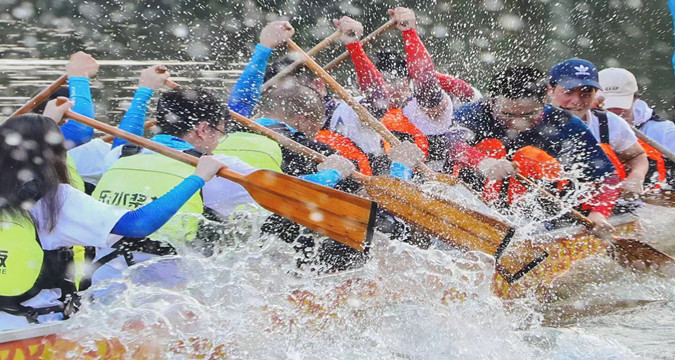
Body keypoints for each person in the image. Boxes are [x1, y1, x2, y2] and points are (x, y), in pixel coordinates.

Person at [0, 99, 227, 330]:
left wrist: (48, 122)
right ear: (56, 154)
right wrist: (198, 178)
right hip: (37, 325)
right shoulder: (56, 199)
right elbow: (139, 224)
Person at [451, 66, 621, 231]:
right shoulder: (473, 113)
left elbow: (608, 179)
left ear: (544, 101)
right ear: (491, 102)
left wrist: (599, 214)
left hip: (537, 218)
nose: (518, 123)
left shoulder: (566, 124)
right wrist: (484, 163)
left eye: (528, 115)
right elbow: (452, 145)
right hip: (473, 203)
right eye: (508, 114)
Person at [548, 58, 648, 196]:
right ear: (550, 89)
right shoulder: (532, 122)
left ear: (595, 94)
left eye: (586, 94)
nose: (577, 101)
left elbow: (637, 155)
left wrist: (637, 176)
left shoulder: (609, 123)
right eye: (569, 92)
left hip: (605, 207)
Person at [598, 67, 675, 187]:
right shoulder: (583, 126)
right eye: (607, 105)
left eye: (619, 105)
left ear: (635, 98)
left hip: (654, 200)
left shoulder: (663, 131)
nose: (613, 112)